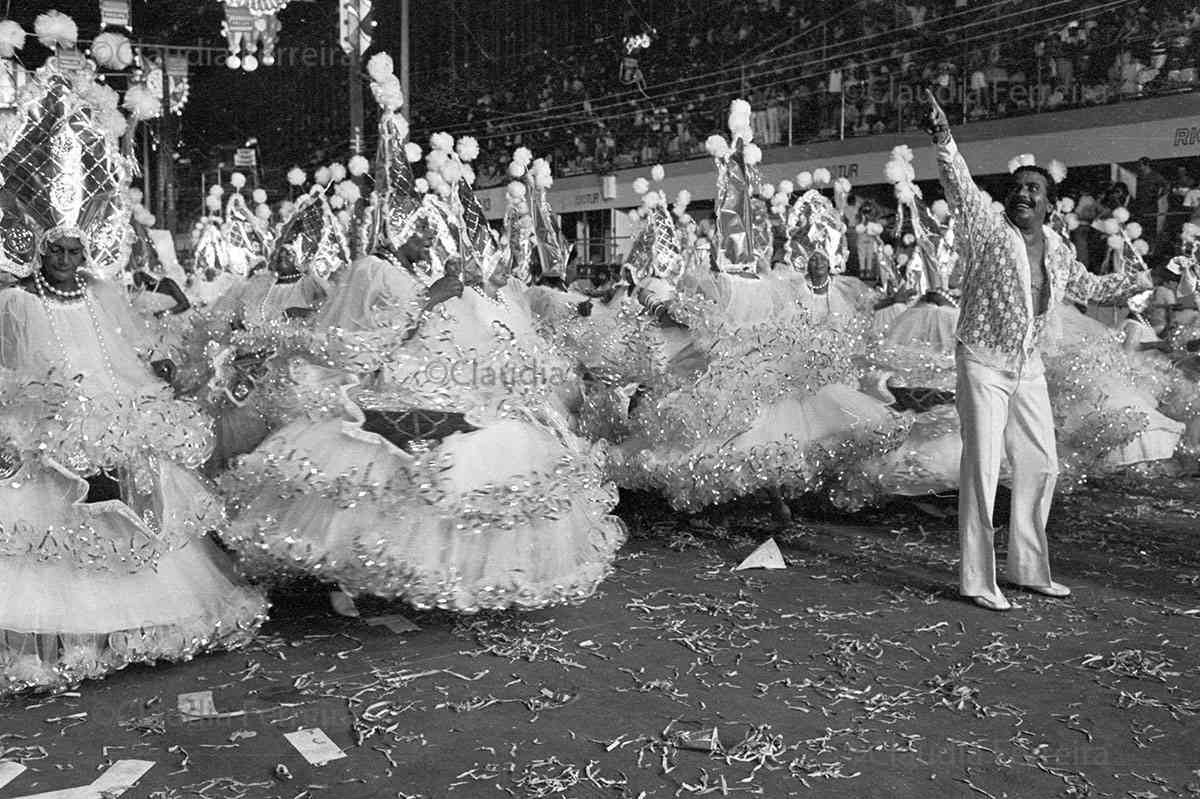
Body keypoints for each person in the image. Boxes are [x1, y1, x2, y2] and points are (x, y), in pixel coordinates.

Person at [923, 90, 1153, 611]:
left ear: (1049, 204)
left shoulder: (1057, 247)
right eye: (1018, 187)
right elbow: (957, 182)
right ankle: (979, 581)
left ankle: (1027, 569)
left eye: (1034, 189)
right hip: (982, 360)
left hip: (1027, 366)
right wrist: (942, 135)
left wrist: (1136, 281)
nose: (1024, 193)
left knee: (1042, 463)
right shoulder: (987, 226)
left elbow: (1089, 288)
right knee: (982, 469)